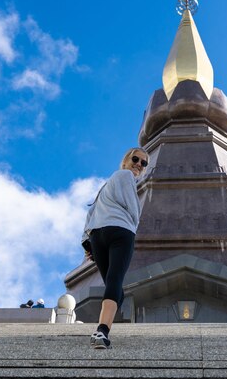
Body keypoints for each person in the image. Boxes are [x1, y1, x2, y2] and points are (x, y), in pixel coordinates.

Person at [82, 147, 149, 350]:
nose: (138, 164)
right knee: (115, 280)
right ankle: (102, 330)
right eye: (135, 159)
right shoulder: (126, 175)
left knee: (115, 287)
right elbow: (134, 209)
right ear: (126, 161)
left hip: (97, 236)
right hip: (120, 232)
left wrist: (87, 243)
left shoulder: (105, 186)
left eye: (143, 163)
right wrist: (134, 224)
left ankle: (106, 324)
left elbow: (90, 215)